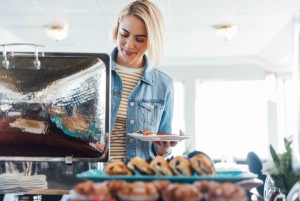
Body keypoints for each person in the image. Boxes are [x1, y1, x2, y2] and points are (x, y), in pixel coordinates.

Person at [110, 0, 183, 162]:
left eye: (140, 39)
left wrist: (163, 148)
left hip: (141, 181)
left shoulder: (164, 85)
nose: (129, 45)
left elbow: (161, 152)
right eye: (124, 34)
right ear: (117, 29)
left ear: (152, 40)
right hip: (97, 180)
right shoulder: (96, 74)